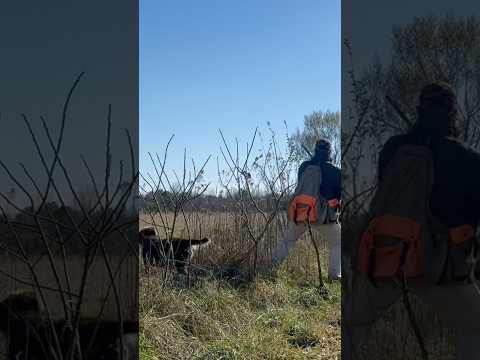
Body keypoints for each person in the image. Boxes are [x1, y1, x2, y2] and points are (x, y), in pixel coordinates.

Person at [344, 82, 480, 360]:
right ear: (452, 113)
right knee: (475, 330)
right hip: (435, 266)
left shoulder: (392, 148)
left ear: (419, 110)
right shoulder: (465, 156)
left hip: (383, 257)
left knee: (351, 325)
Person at [271, 138, 342, 281]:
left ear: (315, 151)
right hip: (323, 217)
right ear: (329, 152)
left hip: (300, 213)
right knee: (339, 242)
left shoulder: (303, 167)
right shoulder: (335, 171)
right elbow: (338, 195)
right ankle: (335, 274)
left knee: (288, 240)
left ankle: (272, 266)